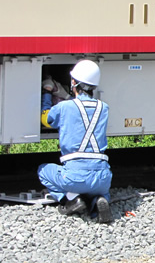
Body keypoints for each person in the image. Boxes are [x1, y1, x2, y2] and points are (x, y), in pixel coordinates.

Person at [38, 60, 113, 223]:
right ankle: (98, 201)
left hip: (74, 176)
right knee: (98, 190)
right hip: (103, 177)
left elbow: (46, 119)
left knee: (43, 170)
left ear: (73, 82)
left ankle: (72, 199)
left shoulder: (64, 107)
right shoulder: (103, 108)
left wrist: (47, 91)